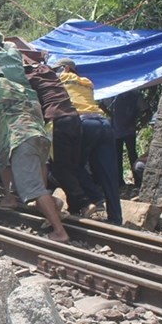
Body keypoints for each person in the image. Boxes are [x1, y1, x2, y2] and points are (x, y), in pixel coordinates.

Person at [0, 64, 70, 243]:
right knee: (4, 161)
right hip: (38, 137)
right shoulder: (17, 87)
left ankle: (59, 232)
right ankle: (15, 199)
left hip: (21, 139)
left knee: (34, 189)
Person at [24, 60, 98, 218]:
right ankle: (74, 208)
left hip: (56, 121)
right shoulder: (48, 72)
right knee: (72, 165)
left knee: (59, 167)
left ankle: (84, 203)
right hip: (74, 119)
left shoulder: (28, 78)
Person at [55, 58, 122, 225]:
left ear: (66, 68)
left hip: (82, 124)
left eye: (57, 69)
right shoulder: (87, 82)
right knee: (109, 174)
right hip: (103, 123)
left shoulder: (62, 78)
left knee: (70, 166)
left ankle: (95, 198)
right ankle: (116, 218)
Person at [106, 89, 147, 187]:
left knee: (132, 154)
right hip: (116, 130)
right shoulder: (114, 94)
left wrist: (138, 124)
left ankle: (137, 179)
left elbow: (146, 111)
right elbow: (102, 105)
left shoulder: (135, 94)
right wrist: (111, 115)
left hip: (129, 131)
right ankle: (119, 181)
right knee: (118, 156)